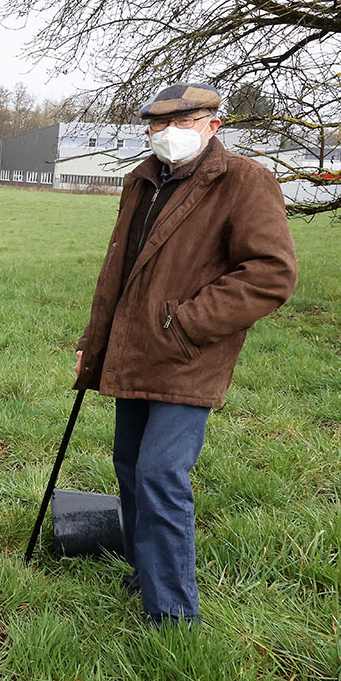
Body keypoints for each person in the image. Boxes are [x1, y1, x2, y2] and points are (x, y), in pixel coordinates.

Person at [74, 82, 296, 626]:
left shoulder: (244, 181)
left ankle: (173, 617)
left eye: (184, 121)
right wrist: (94, 345)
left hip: (189, 355)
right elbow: (118, 276)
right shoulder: (142, 181)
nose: (167, 133)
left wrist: (187, 322)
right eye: (157, 124)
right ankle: (144, 571)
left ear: (212, 125)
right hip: (134, 351)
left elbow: (272, 273)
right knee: (128, 464)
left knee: (160, 473)